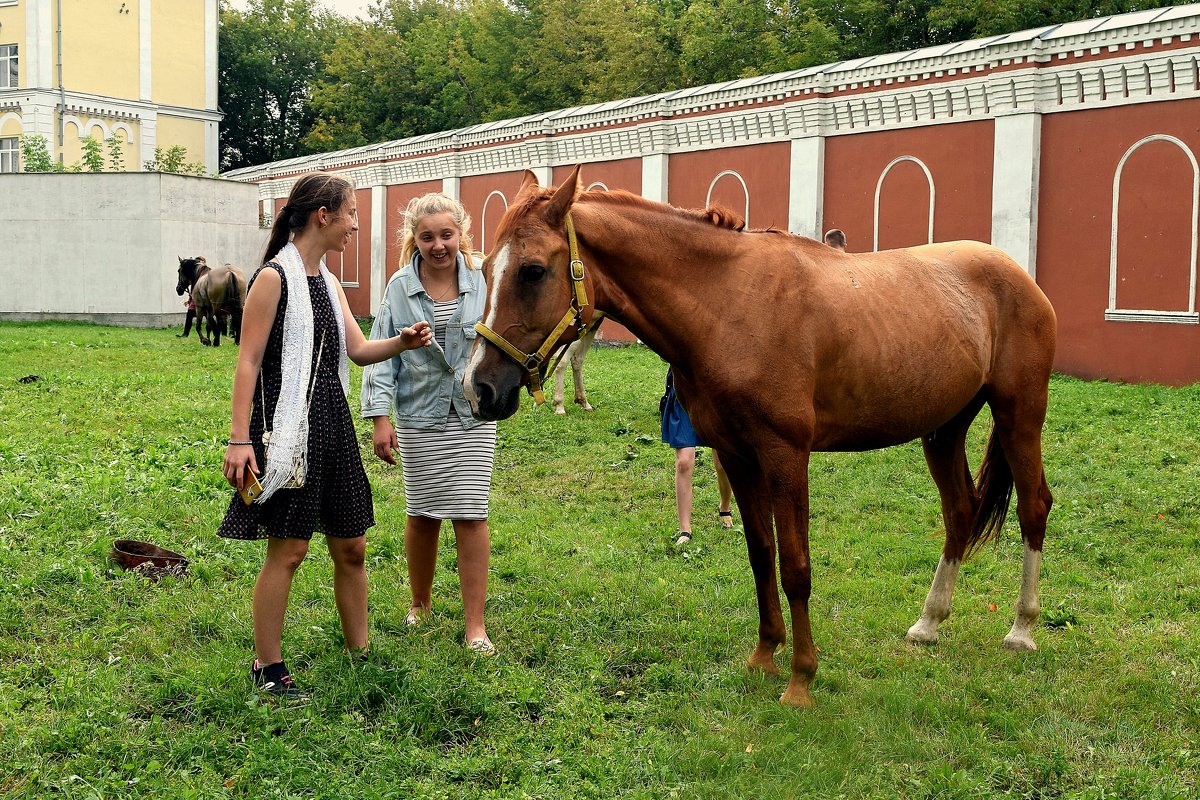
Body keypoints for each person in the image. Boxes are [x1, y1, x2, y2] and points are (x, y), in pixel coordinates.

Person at [218, 172, 434, 701]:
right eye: (351, 213)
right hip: (289, 426)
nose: (356, 225)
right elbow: (246, 361)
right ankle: (266, 666)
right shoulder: (274, 278)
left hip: (332, 421)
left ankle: (358, 653)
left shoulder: (329, 281)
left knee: (353, 545)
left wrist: (401, 343)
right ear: (324, 215)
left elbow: (357, 352)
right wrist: (239, 438)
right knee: (288, 552)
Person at [361, 193, 498, 656]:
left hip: (473, 415)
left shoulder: (484, 279)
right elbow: (380, 357)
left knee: (471, 512)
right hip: (419, 414)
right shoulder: (400, 286)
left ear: (461, 233)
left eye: (446, 235)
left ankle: (475, 625)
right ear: (413, 239)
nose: (438, 245)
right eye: (427, 237)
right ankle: (420, 603)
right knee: (421, 512)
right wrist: (380, 419)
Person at [660, 367, 734, 545]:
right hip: (684, 390)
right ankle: (685, 530)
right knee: (684, 462)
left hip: (715, 389)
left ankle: (725, 506)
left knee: (722, 463)